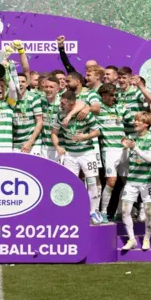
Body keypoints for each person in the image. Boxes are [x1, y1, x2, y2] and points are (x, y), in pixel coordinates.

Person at [51, 91, 101, 224]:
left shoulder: (85, 114)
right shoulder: (60, 114)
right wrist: (57, 146)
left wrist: (84, 137)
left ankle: (93, 212)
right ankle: (72, 211)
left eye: (63, 103)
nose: (60, 105)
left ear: (72, 104)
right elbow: (54, 133)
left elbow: (97, 131)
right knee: (70, 183)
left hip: (87, 153)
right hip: (70, 155)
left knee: (91, 182)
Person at [95, 83, 134, 223]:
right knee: (111, 181)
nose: (114, 98)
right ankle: (103, 212)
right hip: (109, 150)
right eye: (111, 95)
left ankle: (120, 211)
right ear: (103, 96)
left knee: (127, 182)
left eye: (115, 95)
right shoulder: (98, 110)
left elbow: (135, 122)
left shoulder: (120, 108)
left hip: (124, 149)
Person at [120, 112, 151, 251]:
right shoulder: (131, 138)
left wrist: (134, 148)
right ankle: (132, 239)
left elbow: (149, 159)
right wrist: (124, 148)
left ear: (147, 124)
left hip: (146, 180)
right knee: (125, 211)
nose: (135, 123)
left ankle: (147, 238)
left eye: (139, 121)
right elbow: (124, 161)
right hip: (131, 180)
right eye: (135, 120)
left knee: (149, 211)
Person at [13, 73, 43, 154]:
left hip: (33, 143)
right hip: (16, 144)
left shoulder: (34, 97)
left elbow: (39, 122)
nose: (20, 84)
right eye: (18, 81)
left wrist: (30, 142)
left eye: (23, 81)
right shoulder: (10, 99)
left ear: (27, 84)